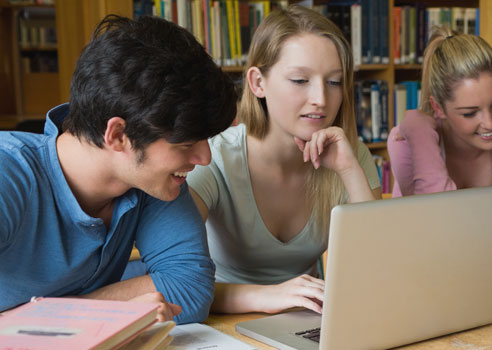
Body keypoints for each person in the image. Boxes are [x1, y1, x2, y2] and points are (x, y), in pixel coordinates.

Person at [0, 15, 236, 323]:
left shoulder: (151, 181)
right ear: (117, 136)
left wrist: (67, 317)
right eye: (185, 142)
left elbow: (190, 290)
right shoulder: (9, 174)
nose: (204, 157)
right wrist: (104, 314)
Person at [187, 5, 381, 315]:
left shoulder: (350, 154)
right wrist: (266, 297)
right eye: (300, 80)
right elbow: (175, 285)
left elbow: (379, 267)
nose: (321, 98)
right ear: (257, 83)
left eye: (333, 82)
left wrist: (348, 170)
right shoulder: (213, 160)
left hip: (308, 320)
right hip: (219, 321)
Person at [387, 27, 492, 212]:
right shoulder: (405, 141)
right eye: (469, 113)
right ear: (438, 108)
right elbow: (434, 223)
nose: (490, 123)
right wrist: (420, 135)